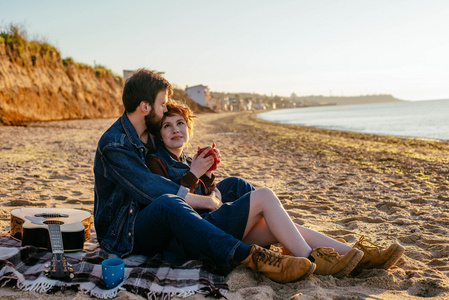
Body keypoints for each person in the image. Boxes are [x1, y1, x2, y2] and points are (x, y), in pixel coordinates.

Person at [93, 69, 404, 284]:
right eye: (161, 107)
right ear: (146, 106)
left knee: (237, 185)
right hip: (126, 232)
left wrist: (203, 174)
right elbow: (152, 188)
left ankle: (344, 252)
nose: (165, 113)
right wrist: (207, 197)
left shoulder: (145, 132)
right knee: (169, 203)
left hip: (161, 214)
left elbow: (174, 162)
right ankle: (251, 255)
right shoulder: (115, 144)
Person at [144, 100, 406, 277]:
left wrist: (208, 177)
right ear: (159, 133)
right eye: (167, 126)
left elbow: (205, 195)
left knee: (278, 226)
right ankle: (310, 259)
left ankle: (353, 255)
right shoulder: (157, 161)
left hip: (210, 225)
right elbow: (171, 204)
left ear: (188, 129)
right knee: (265, 196)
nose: (175, 130)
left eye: (180, 124)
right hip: (197, 236)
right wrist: (195, 175)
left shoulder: (189, 160)